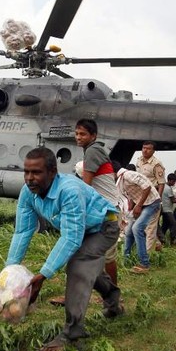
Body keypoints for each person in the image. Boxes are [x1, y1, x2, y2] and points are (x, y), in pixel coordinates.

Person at [5, 147, 123, 351]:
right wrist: (9, 272)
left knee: (78, 265)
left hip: (105, 226)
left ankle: (72, 333)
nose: (30, 178)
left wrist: (43, 275)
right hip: (83, 228)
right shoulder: (28, 193)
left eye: (36, 172)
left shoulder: (68, 190)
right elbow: (23, 230)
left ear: (52, 172)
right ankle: (113, 299)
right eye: (27, 172)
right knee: (88, 268)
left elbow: (71, 238)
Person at [49, 119, 121, 307]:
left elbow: (85, 186)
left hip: (107, 213)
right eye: (77, 133)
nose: (78, 137)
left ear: (93, 136)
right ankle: (102, 295)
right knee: (94, 256)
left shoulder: (92, 151)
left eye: (83, 134)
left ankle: (111, 297)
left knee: (94, 256)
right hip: (104, 210)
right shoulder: (94, 150)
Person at [116, 164, 161, 273]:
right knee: (128, 231)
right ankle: (126, 259)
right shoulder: (121, 181)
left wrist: (139, 205)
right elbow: (132, 194)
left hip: (151, 203)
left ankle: (144, 264)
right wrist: (131, 209)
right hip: (142, 204)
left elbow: (147, 187)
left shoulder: (128, 175)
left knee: (137, 228)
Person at [136, 141, 166, 251]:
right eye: (143, 148)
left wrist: (158, 199)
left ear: (153, 151)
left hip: (152, 198)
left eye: (148, 148)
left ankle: (147, 256)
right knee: (143, 226)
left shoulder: (157, 164)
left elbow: (161, 183)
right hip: (141, 197)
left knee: (151, 227)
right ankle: (157, 245)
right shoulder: (139, 160)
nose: (145, 150)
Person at [160, 173, 176, 244]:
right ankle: (173, 239)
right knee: (174, 225)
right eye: (174, 181)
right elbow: (173, 200)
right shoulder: (168, 188)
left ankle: (161, 240)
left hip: (163, 209)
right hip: (167, 210)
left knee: (165, 225)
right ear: (171, 181)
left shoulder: (163, 186)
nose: (174, 183)